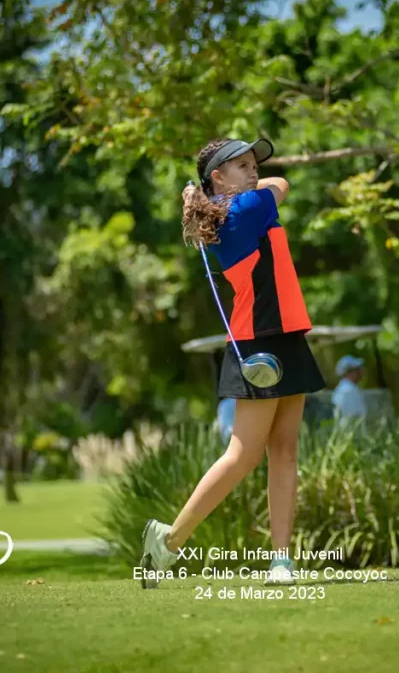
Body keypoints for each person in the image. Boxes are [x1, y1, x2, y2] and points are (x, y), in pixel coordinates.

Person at [138, 137, 325, 589]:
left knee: (285, 451)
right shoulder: (244, 209)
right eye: (240, 165)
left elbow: (270, 184)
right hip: (258, 339)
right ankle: (169, 541)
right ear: (217, 177)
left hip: (285, 332)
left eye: (252, 163)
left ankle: (281, 561)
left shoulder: (232, 208)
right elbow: (283, 183)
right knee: (242, 455)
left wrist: (202, 195)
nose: (253, 170)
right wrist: (209, 195)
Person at [331, 355, 367, 429]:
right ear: (349, 372)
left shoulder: (347, 388)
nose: (361, 371)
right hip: (350, 431)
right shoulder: (348, 390)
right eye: (357, 369)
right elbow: (353, 416)